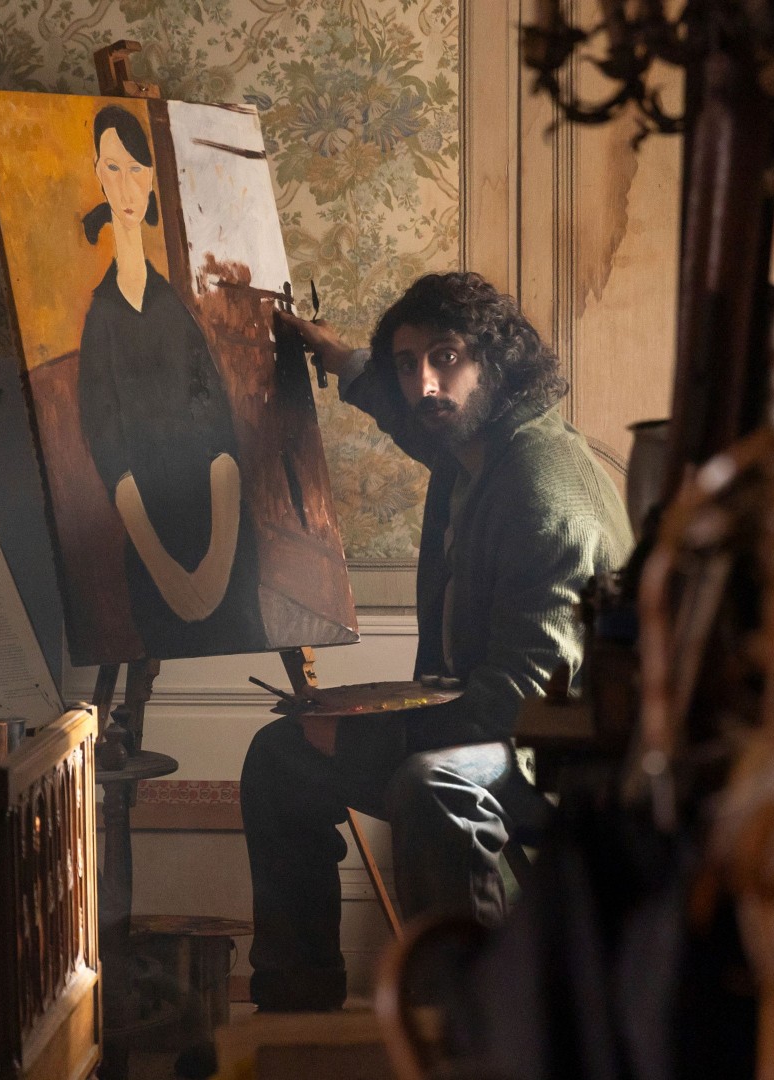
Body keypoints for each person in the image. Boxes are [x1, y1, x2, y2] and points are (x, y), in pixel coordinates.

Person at [242, 271, 634, 1010]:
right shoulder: (476, 446)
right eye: (407, 363)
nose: (424, 385)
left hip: (564, 756)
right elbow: (407, 411)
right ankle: (293, 1013)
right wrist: (337, 356)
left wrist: (357, 736)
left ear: (496, 362)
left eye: (445, 357)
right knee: (282, 758)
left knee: (433, 787)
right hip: (496, 723)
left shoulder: (543, 492)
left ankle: (469, 1027)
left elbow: (516, 708)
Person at [75, 104, 267, 659]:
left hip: (221, 534)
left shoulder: (175, 309)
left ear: (152, 179)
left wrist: (217, 565)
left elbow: (221, 440)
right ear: (98, 176)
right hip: (151, 547)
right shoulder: (101, 321)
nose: (126, 185)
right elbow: (112, 458)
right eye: (114, 168)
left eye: (137, 169)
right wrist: (168, 574)